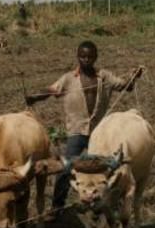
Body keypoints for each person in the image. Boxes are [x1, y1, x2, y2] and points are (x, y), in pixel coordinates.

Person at [25, 40, 142, 209]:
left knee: (107, 168)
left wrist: (134, 76)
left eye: (89, 56)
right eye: (82, 56)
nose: (86, 59)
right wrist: (35, 97)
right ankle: (57, 206)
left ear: (95, 57)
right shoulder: (68, 79)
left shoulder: (105, 77)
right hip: (77, 131)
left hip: (100, 133)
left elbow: (125, 86)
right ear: (78, 57)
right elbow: (51, 90)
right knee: (66, 169)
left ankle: (105, 201)